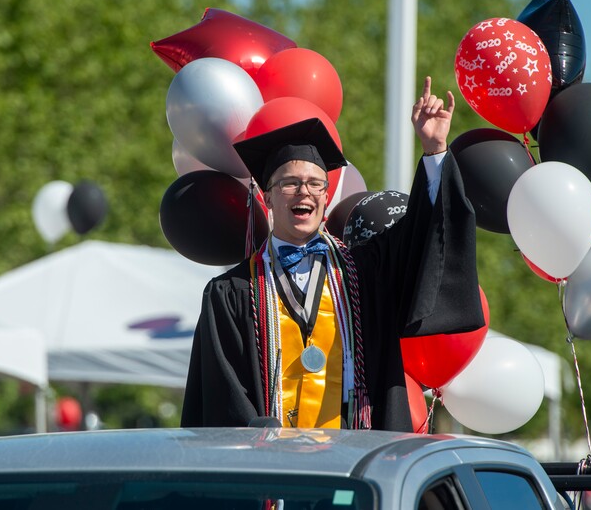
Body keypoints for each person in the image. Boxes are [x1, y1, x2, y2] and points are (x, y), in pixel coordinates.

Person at [181, 76, 484, 431]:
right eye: (290, 183)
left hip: (355, 462)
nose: (303, 193)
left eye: (315, 184)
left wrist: (434, 152)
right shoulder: (231, 294)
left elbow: (425, 238)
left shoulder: (366, 272)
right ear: (267, 196)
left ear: (326, 196)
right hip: (273, 470)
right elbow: (223, 396)